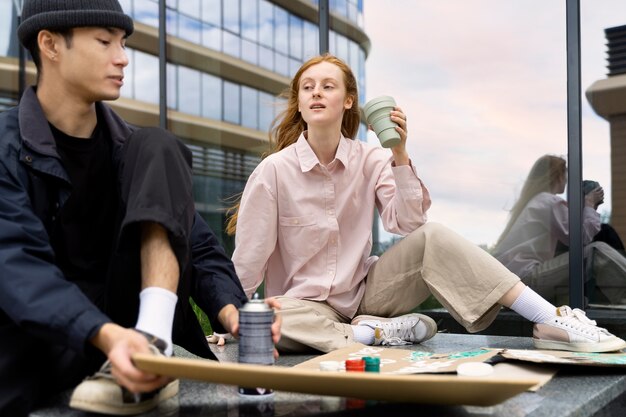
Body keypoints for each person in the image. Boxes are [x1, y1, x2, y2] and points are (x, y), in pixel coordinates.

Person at [226, 53, 625, 357]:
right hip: (304, 309)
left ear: (348, 101)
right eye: (307, 87)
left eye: (327, 86)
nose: (315, 92)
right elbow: (249, 259)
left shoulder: (372, 158)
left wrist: (399, 152)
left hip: (367, 294)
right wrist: (229, 322)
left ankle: (552, 320)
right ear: (299, 102)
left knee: (433, 235)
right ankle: (372, 334)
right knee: (270, 318)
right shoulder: (273, 172)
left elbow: (409, 222)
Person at [0, 1, 279, 416]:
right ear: (50, 45)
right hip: (46, 346)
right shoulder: (6, 148)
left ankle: (153, 341)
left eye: (123, 42)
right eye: (104, 41)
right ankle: (138, 352)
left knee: (158, 144)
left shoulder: (136, 153)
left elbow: (197, 246)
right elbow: (16, 263)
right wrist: (105, 334)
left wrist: (232, 309)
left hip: (131, 334)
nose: (122, 57)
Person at [494, 155, 626, 306]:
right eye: (566, 174)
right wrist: (589, 203)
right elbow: (580, 238)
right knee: (596, 251)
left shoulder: (536, 202)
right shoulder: (547, 201)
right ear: (557, 176)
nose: (567, 179)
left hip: (515, 283)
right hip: (526, 279)